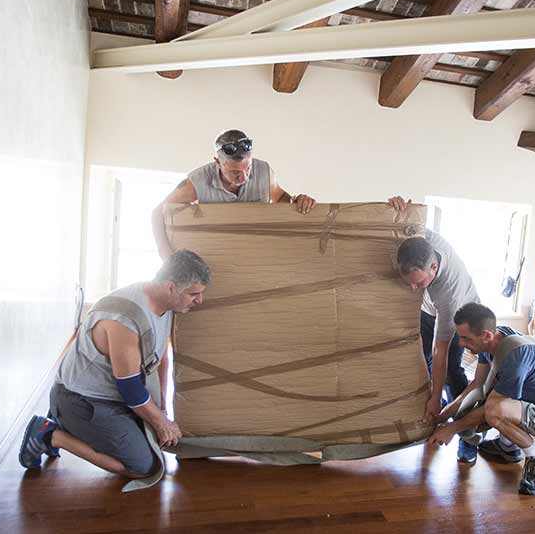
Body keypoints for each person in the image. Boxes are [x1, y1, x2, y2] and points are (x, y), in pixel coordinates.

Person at [18, 250, 211, 478]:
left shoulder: (166, 304)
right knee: (145, 467)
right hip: (83, 399)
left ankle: (70, 424)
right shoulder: (124, 318)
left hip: (113, 396)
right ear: (170, 287)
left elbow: (161, 359)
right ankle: (48, 433)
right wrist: (160, 422)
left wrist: (162, 411)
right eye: (194, 294)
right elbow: (130, 389)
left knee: (156, 445)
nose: (200, 300)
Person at [428, 303, 535, 495]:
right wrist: (446, 413)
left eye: (465, 338)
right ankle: (507, 447)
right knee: (488, 402)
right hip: (532, 405)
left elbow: (493, 409)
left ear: (486, 335)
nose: (460, 344)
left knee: (495, 410)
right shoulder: (493, 341)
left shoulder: (516, 356)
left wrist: (452, 429)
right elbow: (477, 384)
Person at [390, 196, 478, 462]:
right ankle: (426, 423)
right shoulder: (423, 241)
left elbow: (441, 350)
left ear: (435, 267)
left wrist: (436, 396)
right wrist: (399, 210)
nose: (413, 288)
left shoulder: (449, 295)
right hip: (430, 311)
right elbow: (407, 224)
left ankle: (470, 437)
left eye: (419, 282)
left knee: (451, 371)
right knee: (421, 362)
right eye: (410, 283)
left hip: (462, 315)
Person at [151, 129, 318, 258]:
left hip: (255, 250)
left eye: (248, 167)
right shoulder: (198, 181)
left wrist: (298, 201)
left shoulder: (264, 172)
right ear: (217, 162)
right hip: (214, 252)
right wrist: (165, 252)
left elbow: (281, 199)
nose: (244, 177)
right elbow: (159, 211)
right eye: (235, 172)